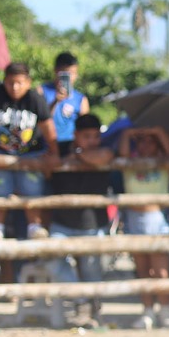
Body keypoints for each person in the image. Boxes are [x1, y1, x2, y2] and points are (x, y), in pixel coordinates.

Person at [46, 112, 114, 326]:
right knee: (52, 262)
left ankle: (93, 311)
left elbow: (103, 157)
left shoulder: (104, 148)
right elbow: (47, 164)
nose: (93, 141)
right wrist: (68, 158)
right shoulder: (59, 148)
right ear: (75, 135)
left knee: (92, 271)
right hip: (61, 222)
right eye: (87, 136)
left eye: (96, 136)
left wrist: (77, 155)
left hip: (93, 224)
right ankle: (82, 300)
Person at [118, 125, 169, 328]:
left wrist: (158, 131)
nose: (145, 146)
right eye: (141, 142)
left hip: (157, 218)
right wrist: (128, 133)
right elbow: (123, 153)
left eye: (150, 142)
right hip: (134, 218)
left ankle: (166, 310)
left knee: (161, 271)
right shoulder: (129, 163)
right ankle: (147, 311)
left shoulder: (164, 165)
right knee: (142, 269)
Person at [0, 61, 59, 240]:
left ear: (28, 82)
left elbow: (48, 128)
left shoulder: (35, 99)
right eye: (10, 82)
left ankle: (34, 227)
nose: (14, 87)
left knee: (32, 189)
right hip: (0, 152)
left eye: (19, 83)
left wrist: (54, 152)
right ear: (4, 81)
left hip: (31, 153)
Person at [41, 52, 89, 147]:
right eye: (66, 73)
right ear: (56, 71)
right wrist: (55, 101)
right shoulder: (41, 91)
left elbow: (86, 128)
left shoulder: (81, 99)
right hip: (44, 145)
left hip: (70, 147)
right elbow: (41, 119)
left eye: (73, 73)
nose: (70, 77)